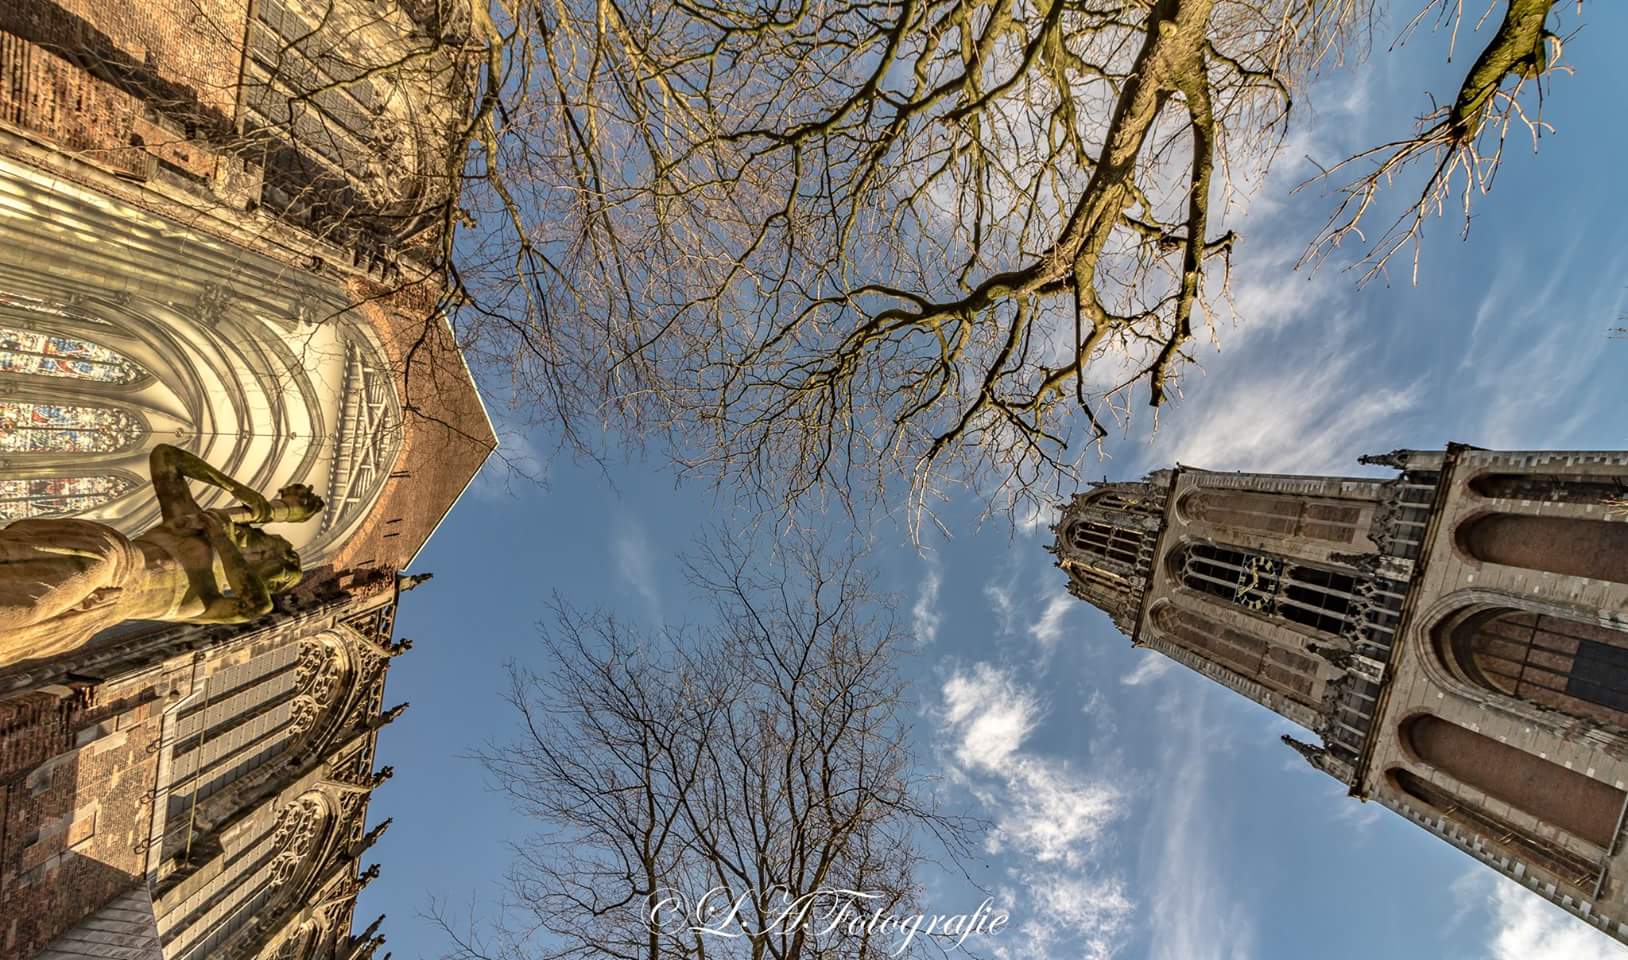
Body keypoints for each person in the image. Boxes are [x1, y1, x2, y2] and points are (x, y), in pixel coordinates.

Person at [0, 444, 322, 666]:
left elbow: (256, 605)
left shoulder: (213, 600)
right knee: (30, 606)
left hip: (95, 616)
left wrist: (222, 538)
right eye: (277, 549)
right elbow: (166, 457)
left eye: (277, 559)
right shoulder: (196, 531)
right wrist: (243, 494)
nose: (269, 551)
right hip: (113, 562)